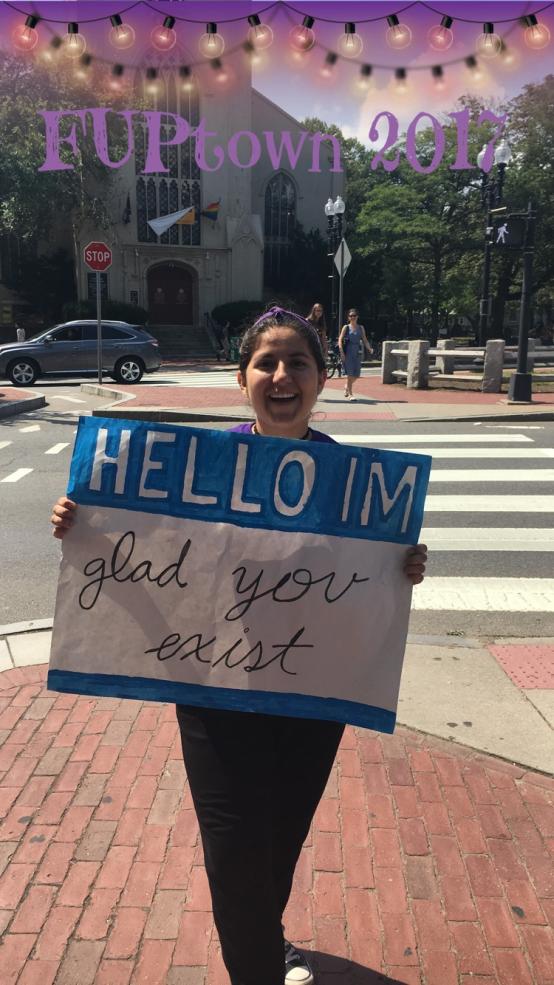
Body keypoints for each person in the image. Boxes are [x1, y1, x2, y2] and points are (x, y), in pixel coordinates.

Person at [50, 306, 427, 985]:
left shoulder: (354, 480)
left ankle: (268, 935)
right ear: (241, 376)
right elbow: (143, 560)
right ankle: (255, 965)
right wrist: (84, 526)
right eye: (267, 363)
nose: (282, 376)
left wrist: (401, 566)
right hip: (215, 693)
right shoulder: (201, 462)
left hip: (310, 700)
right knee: (234, 852)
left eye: (298, 363)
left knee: (279, 842)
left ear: (319, 378)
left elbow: (363, 585)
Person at [338, 309, 373, 401]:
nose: (352, 317)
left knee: (356, 374)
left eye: (354, 315)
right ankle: (350, 394)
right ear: (348, 318)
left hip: (357, 352)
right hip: (348, 352)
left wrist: (369, 348)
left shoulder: (361, 328)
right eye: (350, 316)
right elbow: (340, 339)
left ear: (357, 316)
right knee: (350, 374)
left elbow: (364, 340)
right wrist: (341, 351)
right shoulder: (346, 327)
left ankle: (346, 387)